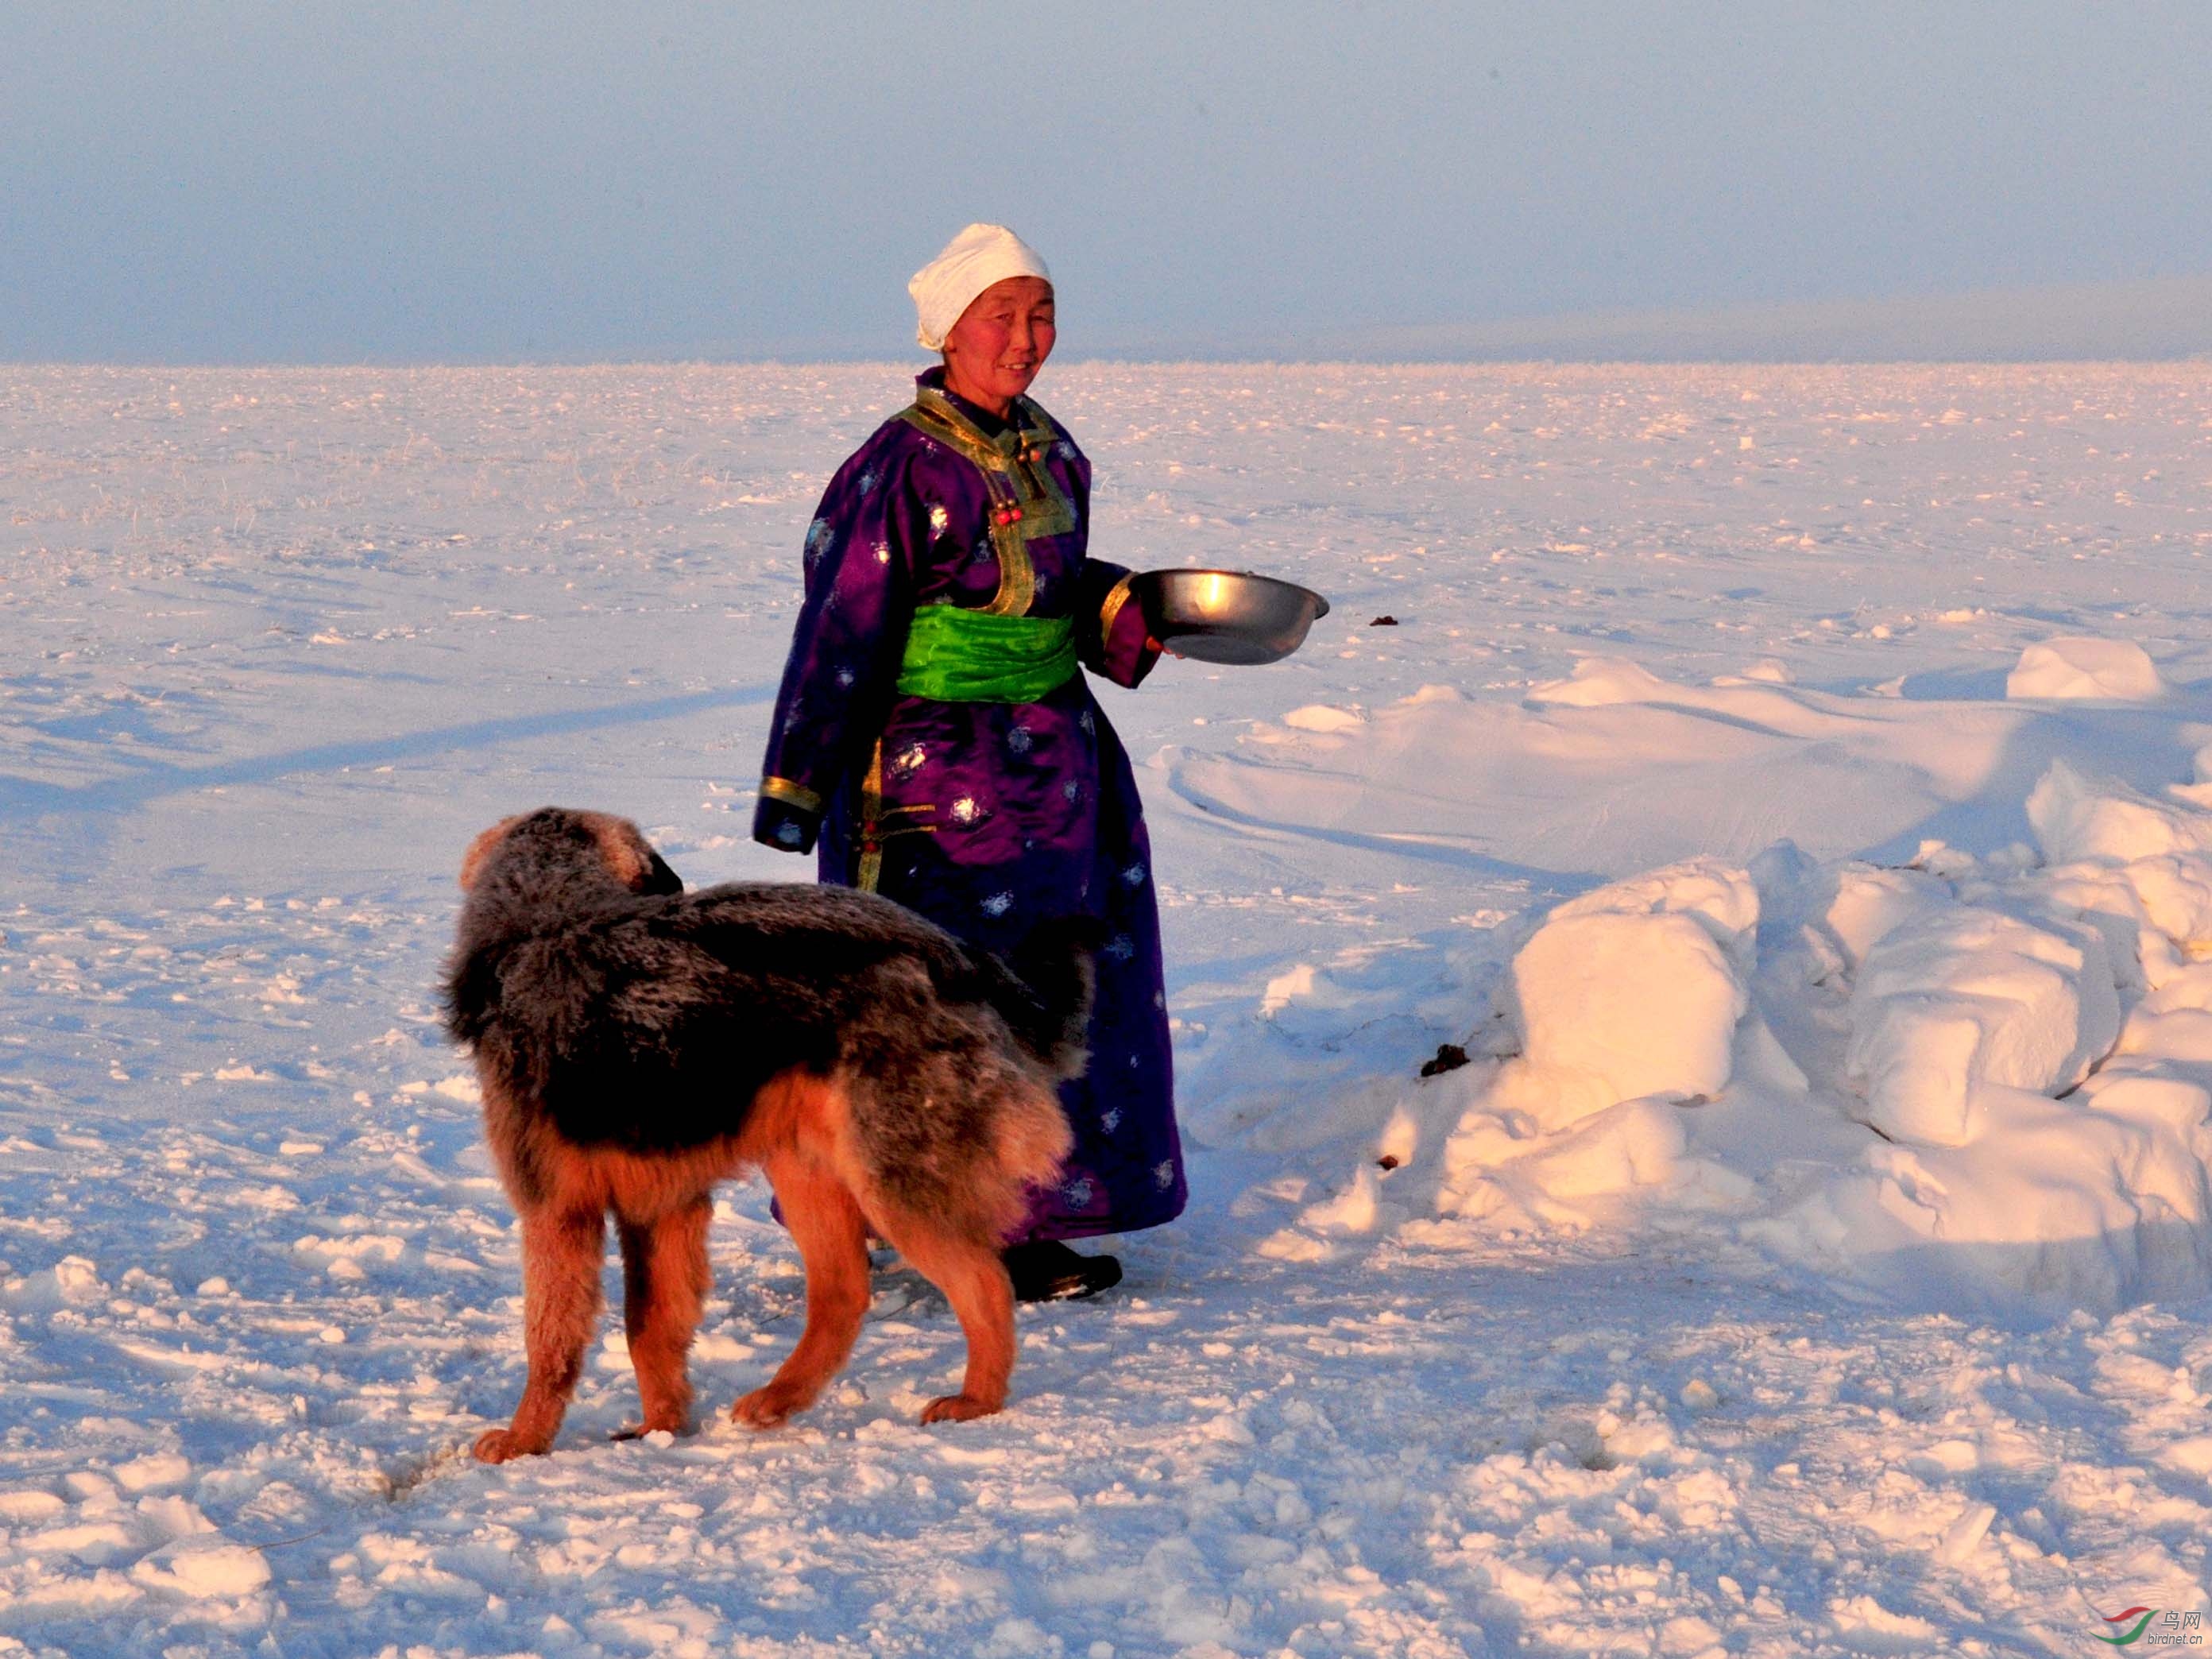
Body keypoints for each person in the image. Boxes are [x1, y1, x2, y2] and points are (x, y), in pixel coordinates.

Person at [751, 223, 1185, 1301]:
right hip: (933, 784)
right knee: (933, 1003)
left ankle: (1021, 1218)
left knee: (1052, 991)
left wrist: (1129, 607)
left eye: (1041, 315)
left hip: (1058, 771)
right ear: (950, 331)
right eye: (1003, 316)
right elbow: (846, 622)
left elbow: (1054, 590)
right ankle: (900, 1212)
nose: (1027, 339)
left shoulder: (1051, 447)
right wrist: (798, 781)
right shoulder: (898, 464)